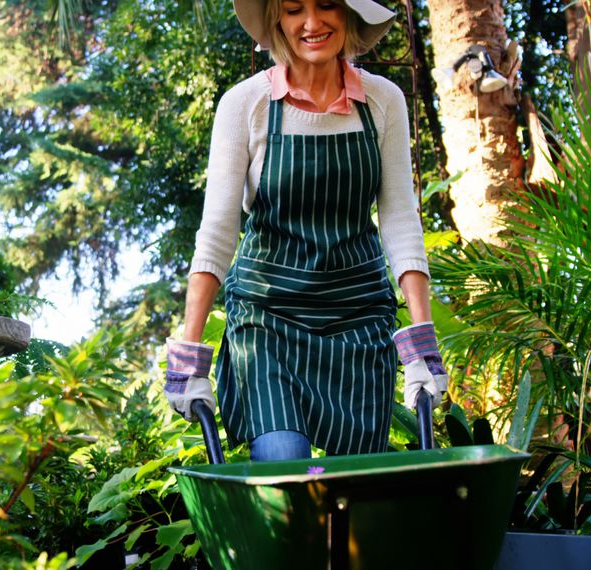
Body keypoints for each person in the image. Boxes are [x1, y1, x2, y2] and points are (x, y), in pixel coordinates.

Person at [164, 0, 449, 462]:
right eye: (295, 9)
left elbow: (399, 219)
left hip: (357, 317)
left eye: (328, 6)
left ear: (350, 14)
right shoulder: (246, 104)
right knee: (284, 461)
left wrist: (422, 345)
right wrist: (189, 357)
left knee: (355, 487)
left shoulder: (382, 102)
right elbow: (217, 231)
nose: (312, 23)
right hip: (268, 317)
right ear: (278, 19)